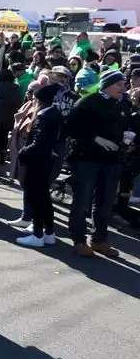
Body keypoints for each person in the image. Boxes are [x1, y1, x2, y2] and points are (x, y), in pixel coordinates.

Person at [63, 69, 132, 258]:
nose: (123, 87)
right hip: (87, 159)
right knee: (82, 201)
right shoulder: (88, 102)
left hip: (112, 161)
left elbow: (129, 126)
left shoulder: (124, 104)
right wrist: (95, 139)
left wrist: (129, 139)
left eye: (124, 84)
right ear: (107, 85)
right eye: (118, 84)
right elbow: (70, 127)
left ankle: (99, 240)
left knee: (105, 202)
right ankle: (78, 240)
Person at [15, 82, 68, 248]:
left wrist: (23, 152)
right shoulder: (55, 113)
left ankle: (38, 233)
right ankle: (49, 232)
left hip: (38, 162)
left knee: (36, 198)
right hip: (48, 161)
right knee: (44, 198)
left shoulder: (43, 117)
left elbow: (38, 143)